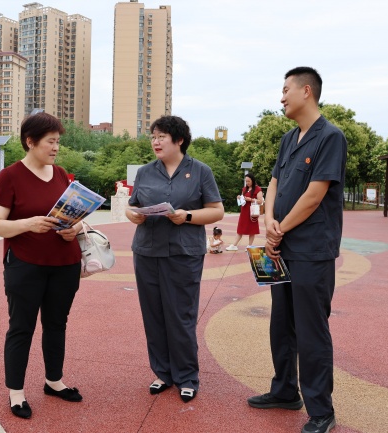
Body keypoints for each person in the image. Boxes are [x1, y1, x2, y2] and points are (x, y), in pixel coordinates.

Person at [246, 67, 347, 433]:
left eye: (286, 89)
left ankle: (322, 411)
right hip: (280, 248)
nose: (281, 97)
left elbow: (315, 195)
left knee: (311, 330)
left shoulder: (330, 137)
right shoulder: (290, 138)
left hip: (310, 251)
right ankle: (285, 390)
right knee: (281, 324)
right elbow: (273, 183)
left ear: (307, 91)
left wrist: (280, 229)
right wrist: (269, 221)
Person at [0, 112, 84, 420]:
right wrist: (28, 223)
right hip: (25, 264)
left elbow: (75, 216)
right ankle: (16, 392)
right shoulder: (10, 176)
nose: (56, 148)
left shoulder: (61, 174)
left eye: (58, 142)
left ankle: (54, 381)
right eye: (50, 142)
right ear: (30, 142)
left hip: (65, 262)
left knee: (57, 324)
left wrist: (75, 228)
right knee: (21, 327)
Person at [126, 115, 224, 403]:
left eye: (161, 137)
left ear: (179, 140)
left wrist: (187, 216)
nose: (155, 142)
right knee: (153, 314)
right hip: (147, 251)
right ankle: (163, 372)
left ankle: (187, 376)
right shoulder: (145, 172)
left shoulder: (201, 171)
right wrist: (134, 215)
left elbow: (216, 210)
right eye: (153, 137)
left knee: (181, 315)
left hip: (184, 253)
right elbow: (133, 206)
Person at [225, 173, 264, 251]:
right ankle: (234, 245)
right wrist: (239, 198)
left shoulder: (258, 189)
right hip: (244, 211)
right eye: (246, 181)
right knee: (241, 227)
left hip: (252, 211)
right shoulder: (244, 189)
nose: (247, 183)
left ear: (252, 180)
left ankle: (250, 245)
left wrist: (251, 199)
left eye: (249, 181)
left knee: (252, 229)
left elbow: (260, 201)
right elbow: (243, 198)